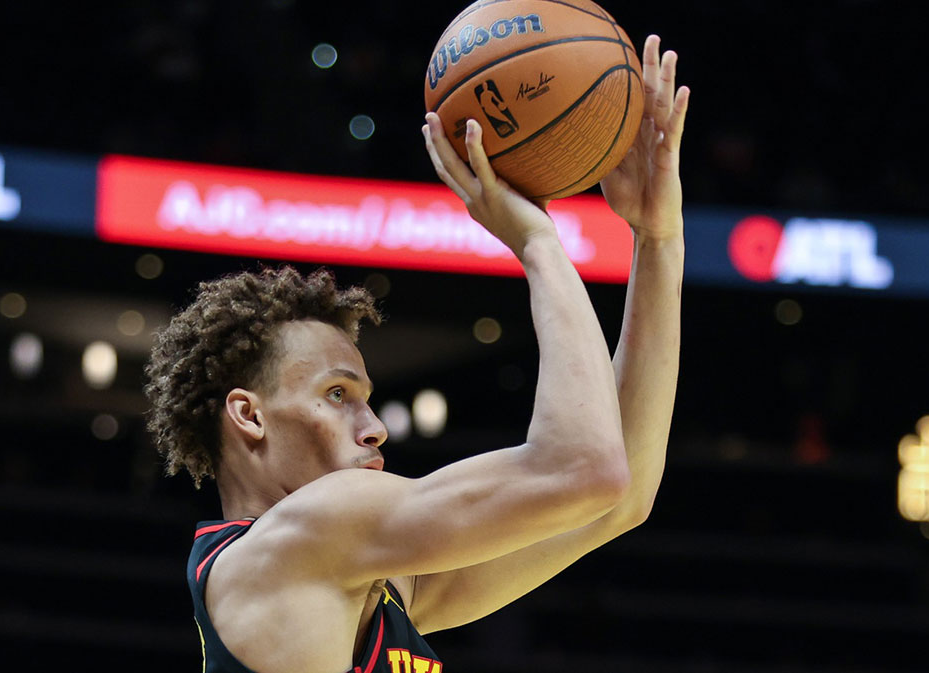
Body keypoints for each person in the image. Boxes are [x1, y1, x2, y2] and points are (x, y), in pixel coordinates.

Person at [143, 36, 688, 673]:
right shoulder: (303, 536)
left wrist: (657, 239)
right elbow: (586, 469)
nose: (374, 429)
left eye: (365, 401)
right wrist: (537, 240)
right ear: (249, 415)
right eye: (337, 395)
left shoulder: (362, 579)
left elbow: (615, 500)